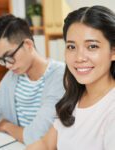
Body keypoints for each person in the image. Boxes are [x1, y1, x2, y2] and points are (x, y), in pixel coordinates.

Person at [0, 14, 65, 145]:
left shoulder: (60, 76)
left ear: (28, 45)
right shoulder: (11, 77)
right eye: (1, 60)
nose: (7, 65)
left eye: (9, 56)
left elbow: (38, 135)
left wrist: (7, 126)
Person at [26, 5, 115, 150]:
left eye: (92, 46)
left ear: (113, 52)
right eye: (71, 47)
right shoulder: (74, 97)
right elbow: (46, 144)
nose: (79, 58)